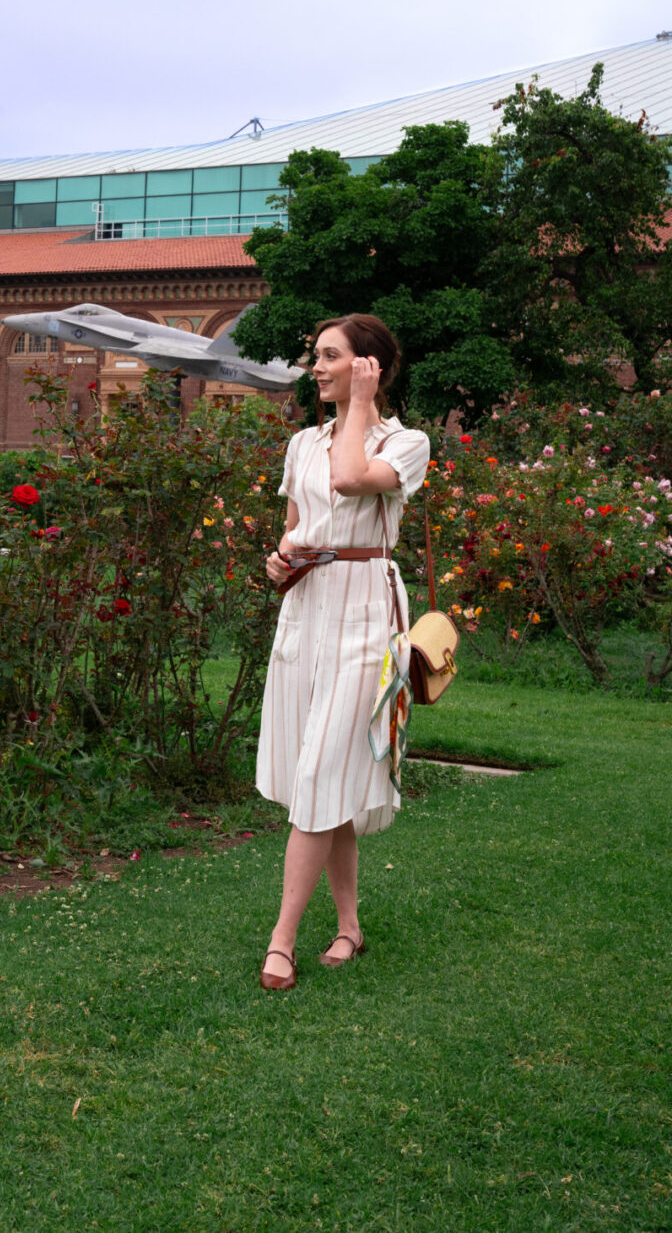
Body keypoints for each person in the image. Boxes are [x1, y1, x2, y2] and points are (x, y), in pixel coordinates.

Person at [257, 314, 430, 990]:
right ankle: (350, 926)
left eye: (330, 356)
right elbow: (299, 524)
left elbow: (354, 479)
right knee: (321, 774)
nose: (315, 367)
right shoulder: (303, 442)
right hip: (307, 606)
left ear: (368, 366)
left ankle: (281, 939)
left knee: (323, 770)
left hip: (365, 611)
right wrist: (279, 558)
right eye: (316, 355)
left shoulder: (406, 442)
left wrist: (360, 405)